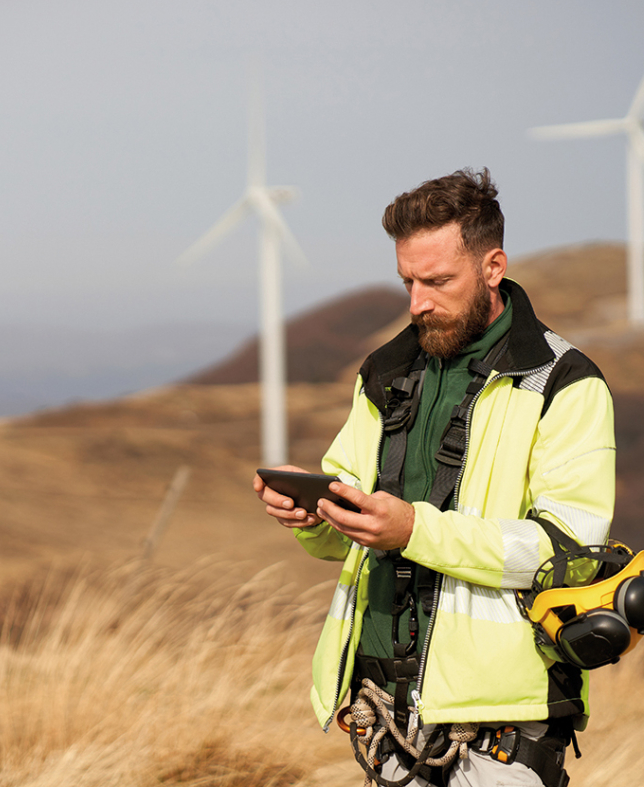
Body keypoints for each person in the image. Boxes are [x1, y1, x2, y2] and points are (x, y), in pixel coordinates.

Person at [254, 168, 616, 787]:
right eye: (408, 281)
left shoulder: (564, 383)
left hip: (503, 727)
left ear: (493, 267)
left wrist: (413, 530)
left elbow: (568, 551)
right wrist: (314, 516)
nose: (418, 301)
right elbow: (353, 522)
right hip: (384, 713)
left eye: (438, 281)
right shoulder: (385, 371)